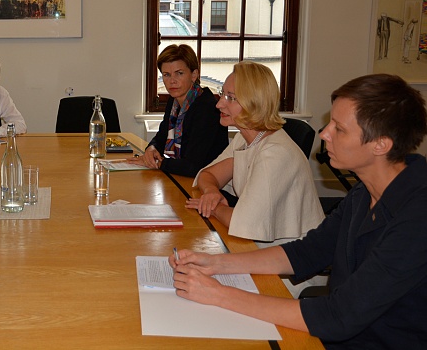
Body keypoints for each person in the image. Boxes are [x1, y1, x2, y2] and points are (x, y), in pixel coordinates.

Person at [170, 74, 427, 348]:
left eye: (339, 129)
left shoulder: (417, 218)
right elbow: (307, 252)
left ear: (381, 144)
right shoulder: (364, 193)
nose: (324, 133)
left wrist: (219, 294)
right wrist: (215, 263)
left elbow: (338, 316)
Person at [186, 61, 324, 246]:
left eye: (230, 98)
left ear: (254, 103)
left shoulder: (275, 154)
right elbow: (207, 175)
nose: (219, 104)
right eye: (222, 94)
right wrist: (211, 192)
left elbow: (241, 223)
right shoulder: (245, 138)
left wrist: (214, 207)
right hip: (261, 242)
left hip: (293, 253)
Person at [128, 44, 227, 177]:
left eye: (179, 73)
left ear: (194, 75)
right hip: (182, 178)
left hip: (207, 181)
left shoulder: (208, 108)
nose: (172, 81)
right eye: (166, 75)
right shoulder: (174, 102)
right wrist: (151, 149)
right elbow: (161, 136)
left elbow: (193, 166)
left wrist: (158, 163)